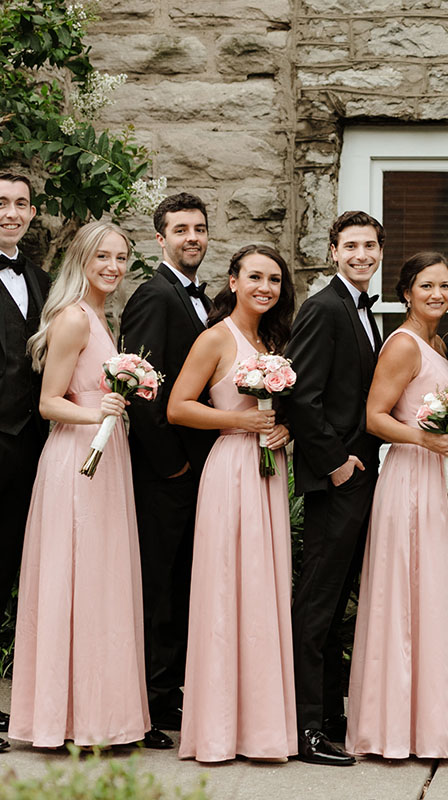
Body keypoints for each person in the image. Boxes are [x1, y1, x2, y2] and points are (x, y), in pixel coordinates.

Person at [9, 221, 159, 749]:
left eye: (121, 258)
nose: (114, 268)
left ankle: (100, 716)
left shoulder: (101, 316)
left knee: (103, 584)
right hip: (77, 460)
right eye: (103, 258)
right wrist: (100, 406)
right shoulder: (72, 318)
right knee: (76, 581)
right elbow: (50, 402)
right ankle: (64, 720)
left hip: (105, 456)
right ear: (82, 260)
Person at [346, 252, 448, 759]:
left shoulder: (438, 342)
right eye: (427, 285)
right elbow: (374, 417)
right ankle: (396, 726)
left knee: (440, 594)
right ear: (406, 291)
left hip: (444, 474)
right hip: (411, 477)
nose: (437, 294)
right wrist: (426, 442)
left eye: (445, 286)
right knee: (409, 594)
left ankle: (439, 723)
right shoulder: (403, 345)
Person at [168, 244, 296, 763]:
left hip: (268, 470)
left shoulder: (276, 340)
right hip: (230, 469)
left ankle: (264, 728)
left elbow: (280, 411)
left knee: (264, 589)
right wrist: (239, 421)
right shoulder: (214, 338)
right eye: (256, 277)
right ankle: (219, 730)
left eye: (274, 279)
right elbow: (177, 408)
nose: (266, 287)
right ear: (234, 280)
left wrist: (282, 428)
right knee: (228, 588)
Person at [287, 211, 384, 766]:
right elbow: (303, 394)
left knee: (338, 599)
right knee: (317, 605)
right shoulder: (324, 307)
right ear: (333, 251)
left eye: (370, 246)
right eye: (351, 246)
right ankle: (305, 729)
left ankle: (327, 715)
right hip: (338, 480)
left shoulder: (362, 310)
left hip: (363, 478)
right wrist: (336, 464)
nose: (362, 255)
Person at [120, 192, 217, 739]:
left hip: (198, 469)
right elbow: (139, 385)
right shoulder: (154, 297)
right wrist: (173, 467)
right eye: (181, 230)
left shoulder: (201, 299)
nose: (192, 238)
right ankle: (150, 705)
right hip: (166, 472)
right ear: (161, 238)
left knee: (182, 582)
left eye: (199, 229)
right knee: (157, 586)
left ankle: (169, 695)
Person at [0, 172, 50, 750]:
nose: (10, 213)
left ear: (32, 213)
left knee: (15, 576)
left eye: (20, 204)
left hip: (33, 450)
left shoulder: (38, 279)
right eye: (2, 203)